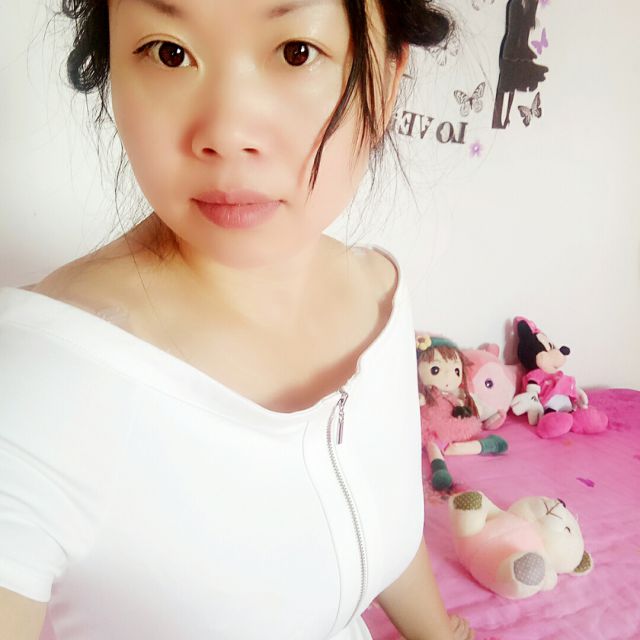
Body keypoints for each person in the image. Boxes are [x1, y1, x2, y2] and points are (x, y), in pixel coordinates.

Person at [0, 0, 474, 638]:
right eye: (169, 52)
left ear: (386, 81)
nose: (225, 132)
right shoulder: (32, 387)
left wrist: (438, 632)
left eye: (296, 52)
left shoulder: (379, 295)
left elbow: (378, 513)